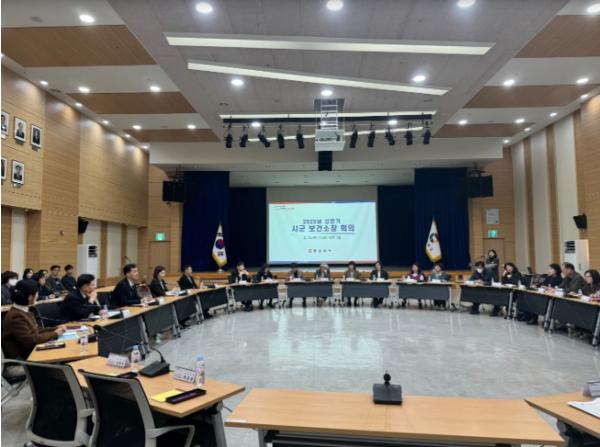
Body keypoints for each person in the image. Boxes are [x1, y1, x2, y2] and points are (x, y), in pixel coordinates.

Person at [1, 279, 66, 360]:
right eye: (37, 293)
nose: (37, 296)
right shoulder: (16, 316)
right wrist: (55, 333)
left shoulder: (24, 311)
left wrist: (55, 328)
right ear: (30, 297)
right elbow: (31, 340)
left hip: (33, 352)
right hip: (26, 358)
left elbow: (36, 331)